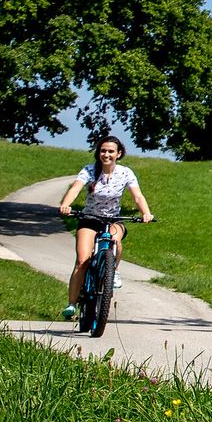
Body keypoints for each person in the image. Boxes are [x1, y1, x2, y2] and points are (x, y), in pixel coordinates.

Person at [57, 135, 154, 319]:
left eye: (111, 151)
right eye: (103, 151)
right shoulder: (89, 170)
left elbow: (137, 196)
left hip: (113, 220)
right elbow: (75, 188)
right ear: (98, 153)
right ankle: (71, 304)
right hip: (90, 219)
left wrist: (146, 213)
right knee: (82, 260)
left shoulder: (126, 173)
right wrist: (66, 204)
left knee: (115, 240)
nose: (106, 154)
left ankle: (113, 272)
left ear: (119, 154)